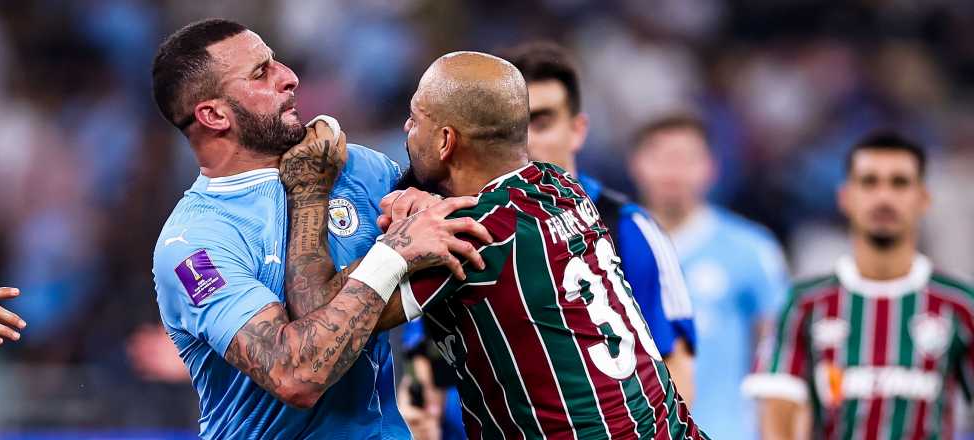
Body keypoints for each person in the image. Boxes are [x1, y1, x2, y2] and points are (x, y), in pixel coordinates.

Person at [290, 50, 708, 439]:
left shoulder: (467, 237)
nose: (406, 129)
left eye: (415, 119)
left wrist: (310, 191)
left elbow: (321, 323)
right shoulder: (560, 186)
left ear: (446, 141)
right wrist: (424, 201)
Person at [150, 19, 489, 439]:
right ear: (214, 114)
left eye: (275, 61)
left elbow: (463, 235)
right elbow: (297, 375)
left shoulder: (357, 168)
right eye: (261, 73)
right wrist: (393, 255)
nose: (289, 77)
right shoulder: (194, 243)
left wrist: (425, 204)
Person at [742, 131, 974, 439]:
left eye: (899, 183)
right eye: (869, 182)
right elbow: (778, 407)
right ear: (845, 197)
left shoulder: (959, 303)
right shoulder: (804, 304)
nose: (884, 197)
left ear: (924, 199)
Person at [502, 42, 697, 404]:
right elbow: (427, 371)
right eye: (514, 127)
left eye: (541, 123)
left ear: (577, 130)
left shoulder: (629, 230)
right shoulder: (460, 231)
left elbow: (676, 372)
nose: (526, 142)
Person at [628, 114, 789, 439]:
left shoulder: (751, 248)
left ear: (711, 168)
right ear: (636, 165)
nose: (673, 171)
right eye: (661, 157)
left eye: (686, 158)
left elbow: (781, 353)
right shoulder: (606, 245)